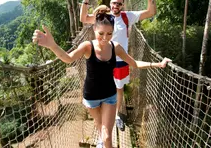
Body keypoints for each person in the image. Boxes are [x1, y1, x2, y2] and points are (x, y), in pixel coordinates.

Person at [32, 9, 170, 148]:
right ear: (94, 29)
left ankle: (103, 142)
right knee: (100, 129)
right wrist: (52, 45)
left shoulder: (116, 48)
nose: (105, 38)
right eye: (101, 33)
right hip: (91, 97)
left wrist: (157, 64)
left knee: (108, 137)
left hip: (110, 95)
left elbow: (134, 63)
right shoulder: (87, 46)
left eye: (109, 33)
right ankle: (101, 142)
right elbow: (68, 59)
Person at [79, 0, 156, 131]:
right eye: (114, 3)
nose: (116, 6)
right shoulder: (104, 17)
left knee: (118, 89)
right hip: (103, 60)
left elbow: (151, 12)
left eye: (119, 4)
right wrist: (85, 1)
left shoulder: (128, 17)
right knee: (102, 86)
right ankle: (103, 115)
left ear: (123, 5)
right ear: (110, 3)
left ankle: (116, 115)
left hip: (120, 60)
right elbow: (84, 18)